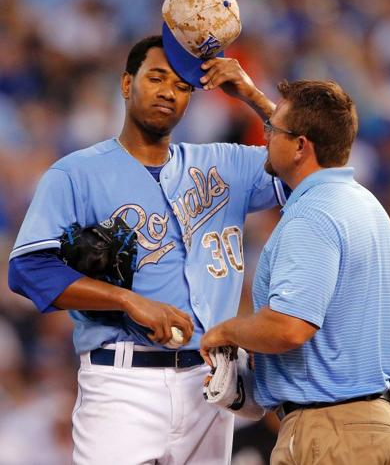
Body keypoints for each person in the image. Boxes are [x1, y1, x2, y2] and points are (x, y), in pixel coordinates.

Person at [8, 34, 287, 464]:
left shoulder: (225, 163)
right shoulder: (76, 174)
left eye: (181, 87)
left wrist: (252, 96)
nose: (167, 93)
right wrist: (126, 299)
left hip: (211, 381)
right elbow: (28, 268)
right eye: (156, 78)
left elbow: (312, 163)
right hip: (122, 380)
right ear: (126, 84)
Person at [200, 80, 390, 464]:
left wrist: (227, 330)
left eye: (274, 130)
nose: (267, 136)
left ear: (301, 146)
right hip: (371, 422)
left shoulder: (312, 217)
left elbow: (289, 328)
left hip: (328, 431)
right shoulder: (366, 205)